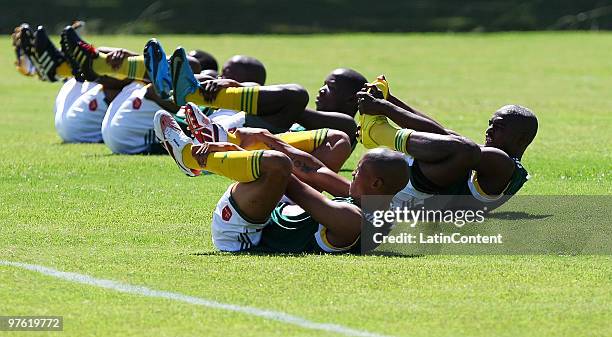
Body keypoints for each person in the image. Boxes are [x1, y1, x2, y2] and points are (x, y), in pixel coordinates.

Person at [153, 103, 409, 253]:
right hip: (268, 208)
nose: (352, 171)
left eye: (359, 169)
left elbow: (293, 184)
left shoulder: (355, 221)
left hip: (244, 235)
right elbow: (316, 172)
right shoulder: (370, 200)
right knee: (337, 141)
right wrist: (268, 138)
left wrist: (238, 150)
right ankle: (220, 137)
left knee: (277, 164)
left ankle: (192, 159)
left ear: (376, 183)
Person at [357, 76, 538, 210]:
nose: (489, 129)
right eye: (490, 124)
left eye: (499, 127)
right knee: (456, 144)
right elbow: (444, 134)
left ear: (520, 139)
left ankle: (377, 133)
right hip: (403, 187)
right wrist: (388, 99)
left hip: (409, 196)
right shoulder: (489, 158)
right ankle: (377, 133)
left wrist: (384, 107)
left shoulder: (503, 164)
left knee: (461, 147)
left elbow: (446, 139)